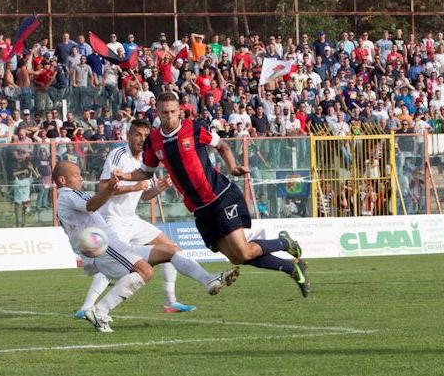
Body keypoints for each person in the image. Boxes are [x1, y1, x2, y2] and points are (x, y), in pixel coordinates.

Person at [115, 92, 310, 297]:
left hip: (220, 197)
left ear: (179, 111)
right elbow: (145, 172)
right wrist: (124, 175)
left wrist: (232, 166)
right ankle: (291, 268)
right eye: (165, 113)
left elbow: (222, 146)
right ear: (158, 113)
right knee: (236, 257)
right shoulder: (153, 141)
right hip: (200, 208)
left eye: (173, 112)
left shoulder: (195, 128)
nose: (170, 116)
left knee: (243, 251)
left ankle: (284, 244)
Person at [54, 161, 237, 332]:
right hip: (105, 246)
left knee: (170, 250)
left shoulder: (64, 201)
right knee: (145, 271)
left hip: (109, 244)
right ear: (62, 180)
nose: (81, 178)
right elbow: (90, 205)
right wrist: (110, 189)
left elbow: (88, 211)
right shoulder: (70, 194)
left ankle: (209, 280)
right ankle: (99, 311)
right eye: (76, 175)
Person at [97, 119, 210, 314]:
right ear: (129, 136)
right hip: (112, 219)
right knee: (115, 262)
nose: (142, 139)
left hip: (131, 219)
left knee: (171, 248)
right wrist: (133, 186)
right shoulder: (119, 154)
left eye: (145, 136)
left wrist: (157, 189)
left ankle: (170, 302)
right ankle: (88, 306)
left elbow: (143, 195)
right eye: (137, 135)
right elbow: (103, 187)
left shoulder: (146, 161)